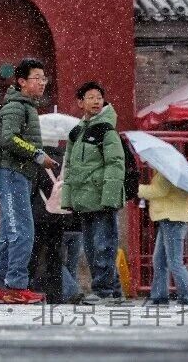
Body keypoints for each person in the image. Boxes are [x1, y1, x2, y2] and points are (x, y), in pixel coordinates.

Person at [0, 57, 56, 305]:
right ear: (22, 81)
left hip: (17, 175)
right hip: (11, 174)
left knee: (8, 231)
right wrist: (38, 155)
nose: (42, 83)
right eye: (37, 78)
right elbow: (8, 139)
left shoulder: (26, 106)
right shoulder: (15, 107)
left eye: (44, 78)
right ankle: (15, 285)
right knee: (22, 230)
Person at [62, 81, 126, 304]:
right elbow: (69, 167)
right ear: (80, 103)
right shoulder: (76, 132)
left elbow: (115, 163)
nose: (96, 101)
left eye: (99, 97)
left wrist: (110, 196)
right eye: (90, 97)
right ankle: (113, 291)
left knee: (103, 245)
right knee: (91, 248)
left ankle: (104, 291)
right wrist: (68, 198)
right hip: (84, 199)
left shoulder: (106, 130)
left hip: (101, 198)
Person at [138, 168, 188, 307]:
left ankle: (186, 297)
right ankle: (159, 296)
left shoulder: (168, 172)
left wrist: (137, 188)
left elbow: (158, 191)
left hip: (173, 220)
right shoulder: (165, 171)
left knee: (174, 262)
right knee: (159, 260)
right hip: (168, 219)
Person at [29, 144, 78, 303]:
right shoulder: (65, 160)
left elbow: (33, 188)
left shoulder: (40, 161)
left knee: (34, 254)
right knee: (55, 257)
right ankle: (55, 295)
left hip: (40, 215)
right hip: (60, 216)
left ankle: (29, 289)